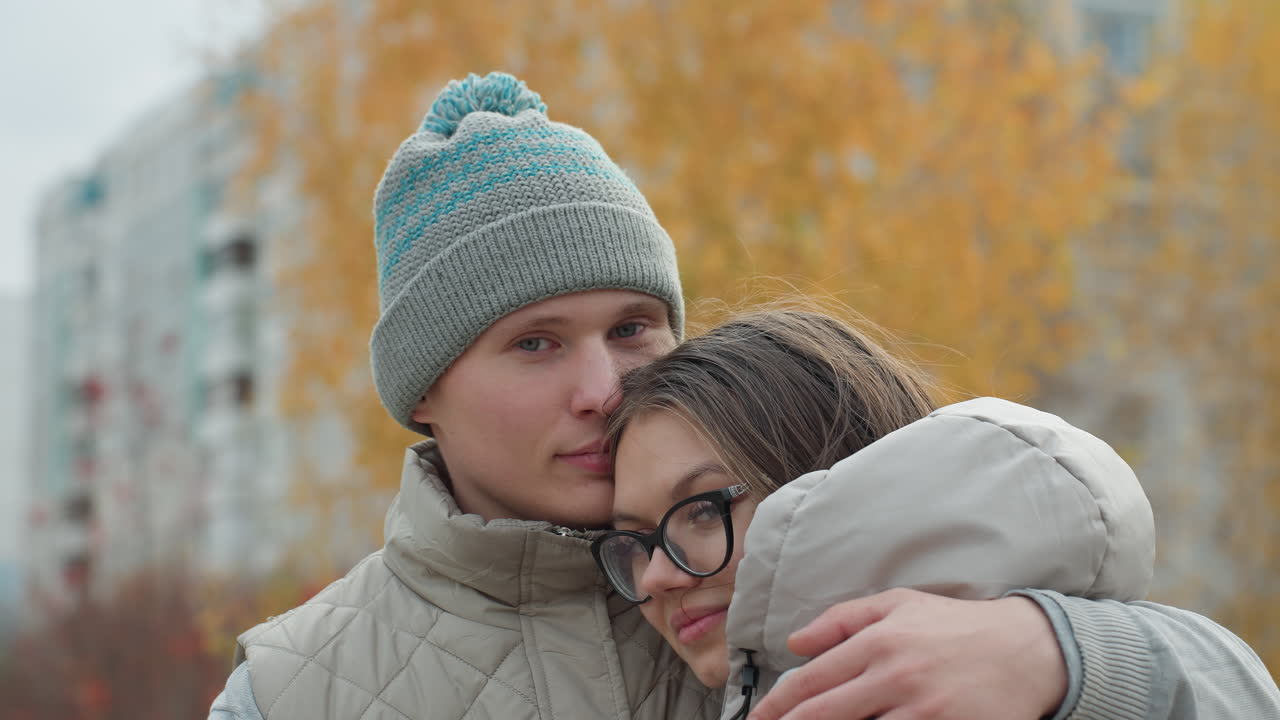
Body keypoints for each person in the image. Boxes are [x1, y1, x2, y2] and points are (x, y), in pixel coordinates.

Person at [208, 72, 1280, 720]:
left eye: (632, 328)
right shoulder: (297, 689)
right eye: (533, 344)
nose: (602, 387)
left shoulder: (823, 546)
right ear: (423, 393)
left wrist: (1055, 652)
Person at [599, 308, 1280, 720]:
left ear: (842, 482)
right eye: (635, 540)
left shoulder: (1012, 679)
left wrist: (1063, 658)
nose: (656, 577)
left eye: (698, 511)